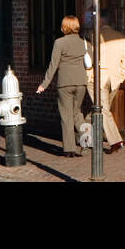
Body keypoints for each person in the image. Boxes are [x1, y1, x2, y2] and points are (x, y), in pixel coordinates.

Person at [37, 15, 90, 157]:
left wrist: (44, 84)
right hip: (81, 82)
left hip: (65, 83)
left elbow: (53, 65)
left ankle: (69, 149)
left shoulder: (59, 43)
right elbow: (90, 61)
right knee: (77, 112)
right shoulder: (84, 42)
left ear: (65, 27)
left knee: (66, 116)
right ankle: (87, 139)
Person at [86, 9, 125, 153]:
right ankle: (87, 138)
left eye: (96, 19)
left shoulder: (95, 36)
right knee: (99, 111)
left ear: (101, 21)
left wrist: (88, 76)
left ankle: (116, 141)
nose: (94, 22)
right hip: (114, 80)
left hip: (98, 79)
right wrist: (120, 76)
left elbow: (89, 60)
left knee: (102, 111)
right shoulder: (120, 37)